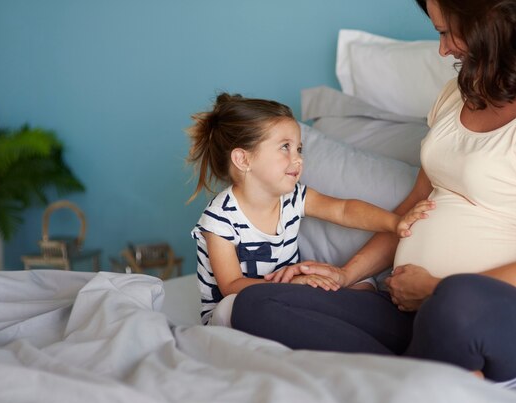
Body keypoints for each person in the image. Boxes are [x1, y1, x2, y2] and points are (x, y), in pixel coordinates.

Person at [230, 0, 516, 382]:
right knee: (257, 303)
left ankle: (418, 372)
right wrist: (344, 274)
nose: (443, 50)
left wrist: (436, 289)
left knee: (458, 300)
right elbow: (413, 208)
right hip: (410, 310)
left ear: (490, 21)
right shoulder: (459, 93)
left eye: (445, 32)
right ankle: (418, 374)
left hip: (497, 317)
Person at [186, 93, 434, 326]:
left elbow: (344, 210)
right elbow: (231, 285)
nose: (299, 159)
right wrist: (296, 287)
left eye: (299, 149)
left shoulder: (293, 198)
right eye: (285, 147)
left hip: (287, 295)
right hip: (236, 307)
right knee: (231, 307)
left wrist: (394, 222)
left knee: (362, 282)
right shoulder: (219, 219)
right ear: (243, 160)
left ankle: (343, 316)